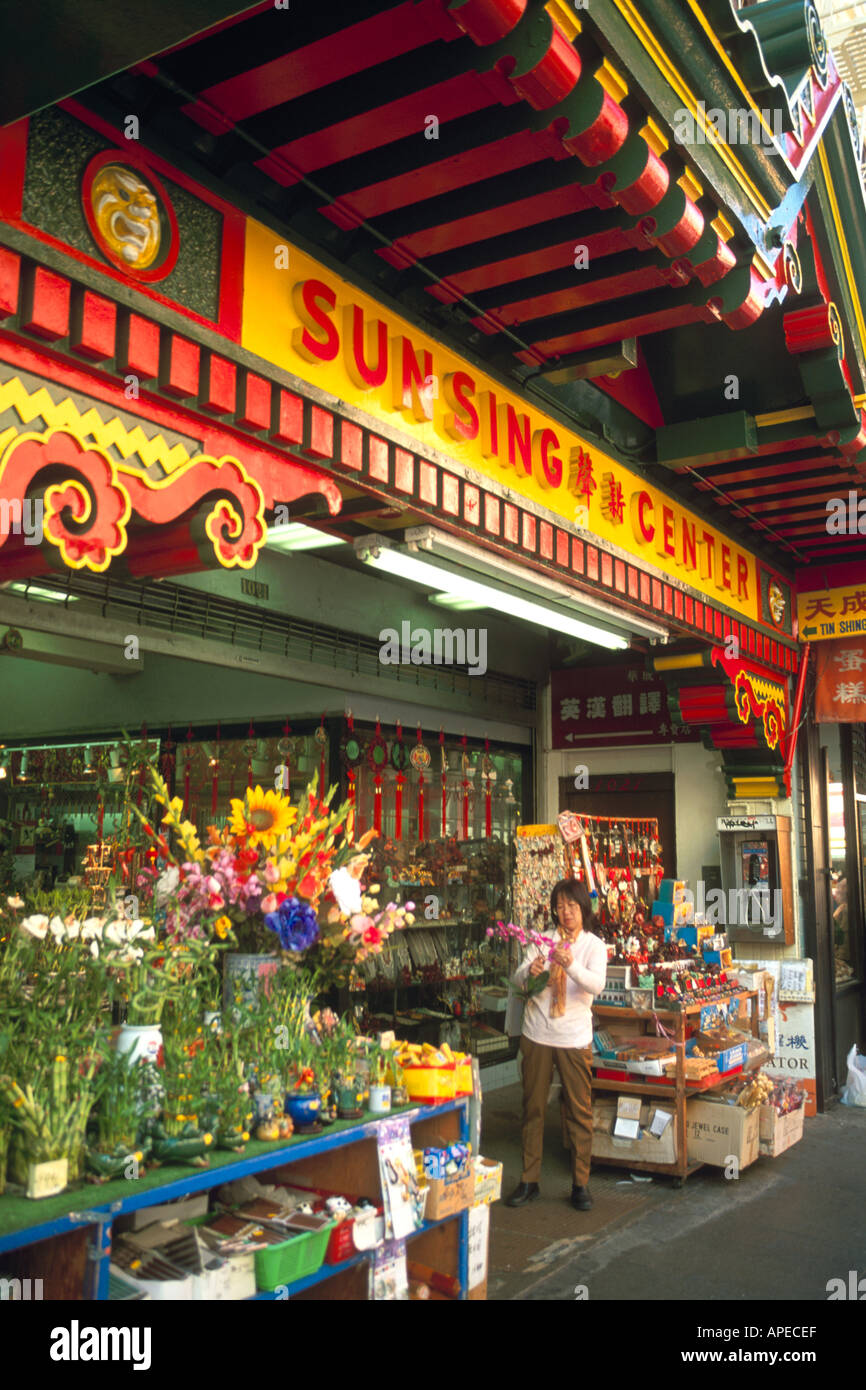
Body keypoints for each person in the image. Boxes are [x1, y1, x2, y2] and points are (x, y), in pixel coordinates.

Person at [505, 878, 607, 1212]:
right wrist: (530, 970)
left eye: (572, 907)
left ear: (583, 909)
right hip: (537, 1033)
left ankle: (580, 1183)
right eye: (560, 907)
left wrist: (569, 964)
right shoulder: (542, 940)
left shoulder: (593, 946)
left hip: (575, 1038)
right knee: (532, 1108)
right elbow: (518, 978)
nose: (566, 913)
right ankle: (529, 1179)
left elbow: (597, 985)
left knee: (579, 1111)